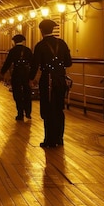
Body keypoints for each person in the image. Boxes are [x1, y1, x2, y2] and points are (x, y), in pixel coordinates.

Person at [29, 19, 72, 148]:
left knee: (48, 109)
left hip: (47, 81)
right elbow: (68, 63)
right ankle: (60, 138)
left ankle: (49, 140)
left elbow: (35, 65)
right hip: (60, 79)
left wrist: (31, 79)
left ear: (41, 30)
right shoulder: (62, 43)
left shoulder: (40, 46)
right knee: (59, 109)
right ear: (52, 30)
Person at [0, 34, 33, 121]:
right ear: (23, 41)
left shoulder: (12, 51)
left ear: (14, 41)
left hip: (16, 74)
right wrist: (32, 76)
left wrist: (2, 72)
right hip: (26, 74)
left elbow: (8, 62)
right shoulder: (28, 50)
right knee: (27, 93)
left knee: (17, 93)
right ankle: (28, 112)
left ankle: (20, 113)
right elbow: (33, 63)